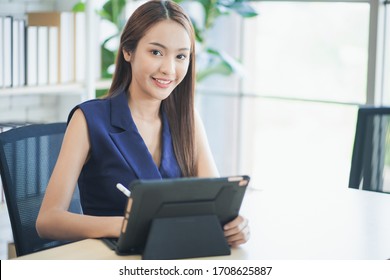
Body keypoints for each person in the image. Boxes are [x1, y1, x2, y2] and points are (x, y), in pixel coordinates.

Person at [36, 0, 249, 248]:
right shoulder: (89, 119)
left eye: (181, 56)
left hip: (176, 256)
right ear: (128, 51)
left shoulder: (187, 118)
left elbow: (216, 206)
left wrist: (235, 226)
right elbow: (47, 221)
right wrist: (124, 225)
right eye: (156, 52)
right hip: (113, 260)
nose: (169, 69)